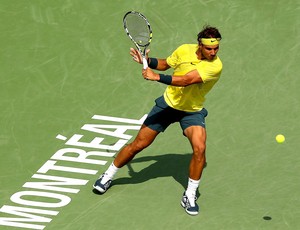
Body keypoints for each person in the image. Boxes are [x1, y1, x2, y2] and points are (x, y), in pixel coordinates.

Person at [93, 25, 223, 216]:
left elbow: (186, 80)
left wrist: (156, 78)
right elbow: (166, 64)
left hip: (191, 111)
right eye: (209, 48)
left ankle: (190, 194)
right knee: (138, 144)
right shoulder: (184, 49)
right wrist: (147, 61)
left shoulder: (215, 66)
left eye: (216, 48)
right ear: (200, 45)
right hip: (167, 105)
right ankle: (108, 175)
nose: (213, 52)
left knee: (200, 149)